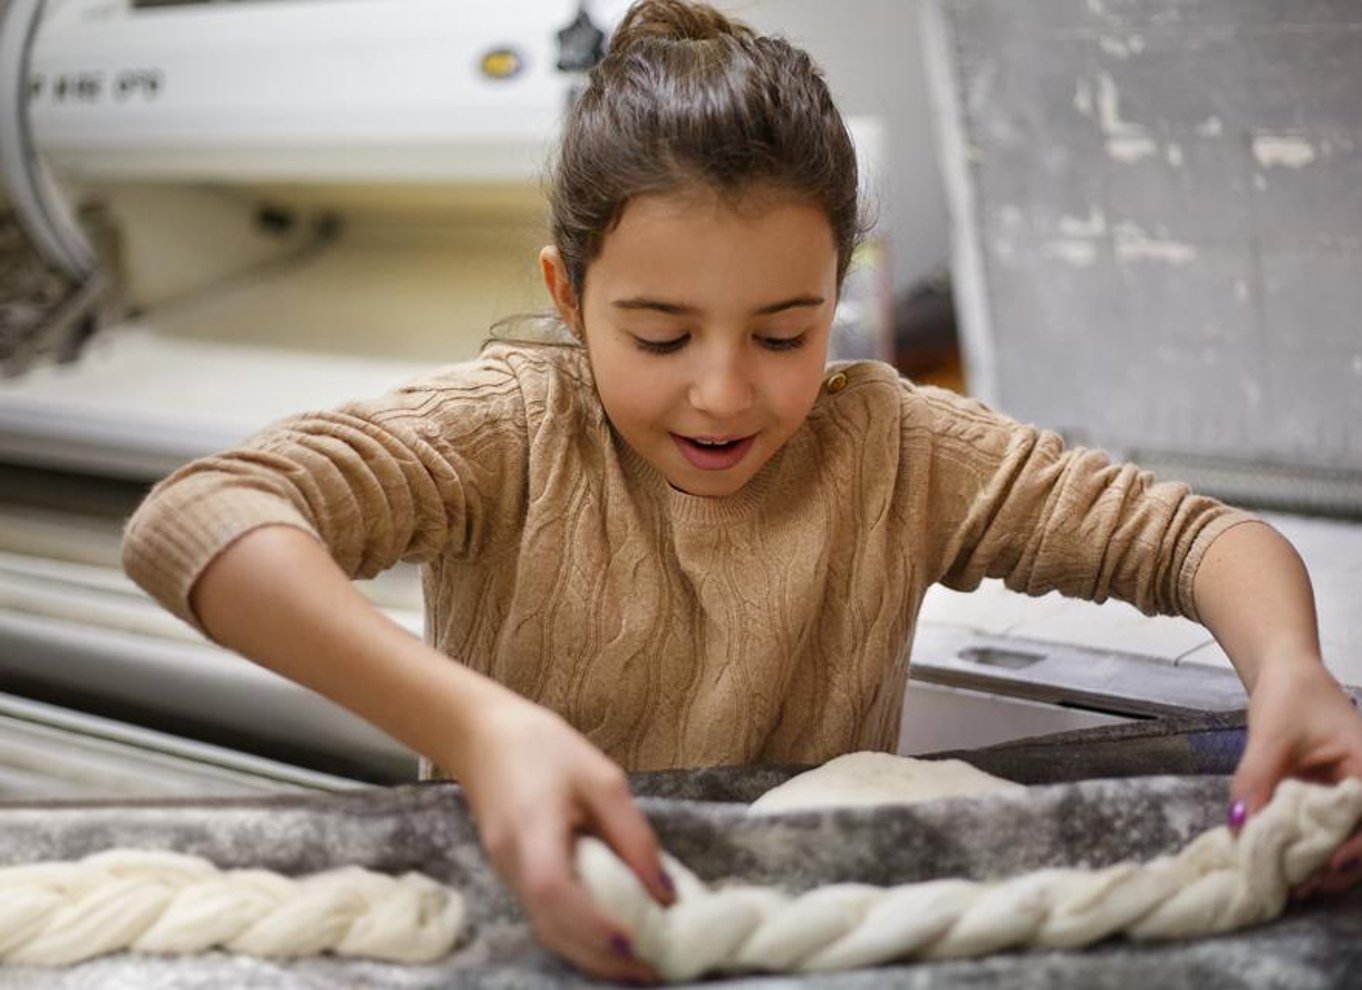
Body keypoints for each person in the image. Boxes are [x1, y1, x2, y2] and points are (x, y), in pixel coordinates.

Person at [122, 0, 1362, 982]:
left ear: (840, 295)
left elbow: (1201, 539)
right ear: (568, 295)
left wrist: (1290, 673)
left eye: (784, 335)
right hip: (526, 931)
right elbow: (199, 517)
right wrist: (482, 734)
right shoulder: (513, 427)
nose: (724, 395)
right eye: (660, 337)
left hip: (810, 944)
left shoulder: (892, 447)